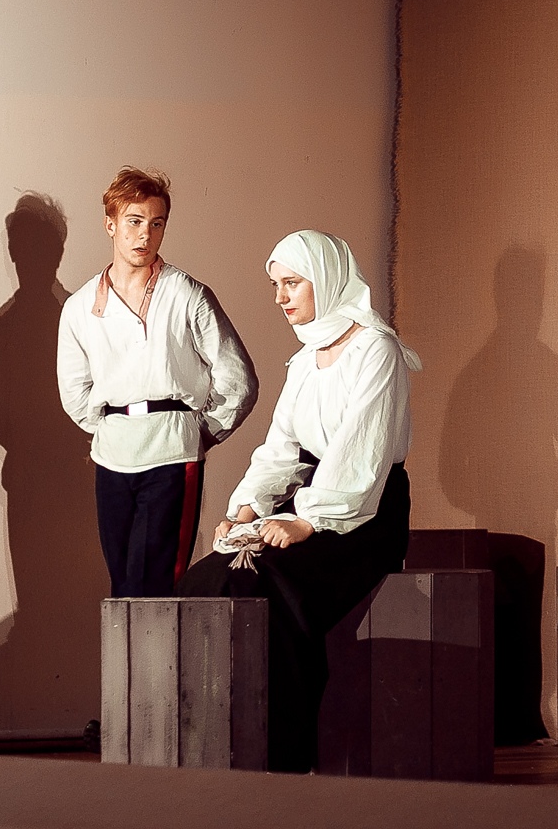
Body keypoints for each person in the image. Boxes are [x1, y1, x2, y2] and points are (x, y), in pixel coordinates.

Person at [179, 229, 421, 774]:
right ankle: (211, 744)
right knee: (206, 578)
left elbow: (362, 453)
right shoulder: (306, 360)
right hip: (308, 501)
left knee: (269, 582)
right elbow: (280, 450)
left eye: (292, 283)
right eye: (276, 285)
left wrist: (308, 521)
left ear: (326, 279)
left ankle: (285, 755)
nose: (280, 297)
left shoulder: (376, 349)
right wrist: (246, 510)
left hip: (363, 514)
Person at [57, 167, 259, 599]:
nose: (144, 235)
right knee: (123, 587)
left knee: (156, 586)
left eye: (156, 223)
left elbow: (238, 379)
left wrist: (199, 432)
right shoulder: (79, 307)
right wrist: (112, 429)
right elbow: (74, 392)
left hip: (171, 452)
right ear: (111, 224)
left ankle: (160, 650)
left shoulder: (186, 293)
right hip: (112, 457)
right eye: (134, 221)